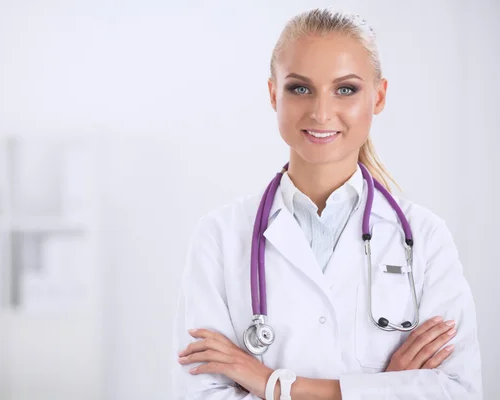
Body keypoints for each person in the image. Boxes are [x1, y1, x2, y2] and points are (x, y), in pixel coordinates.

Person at [171, 7, 482, 400]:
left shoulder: (426, 239)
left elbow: (458, 392)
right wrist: (386, 387)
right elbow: (201, 394)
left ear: (379, 96)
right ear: (273, 94)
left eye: (346, 89)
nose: (320, 112)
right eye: (300, 88)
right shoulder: (219, 237)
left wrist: (269, 383)